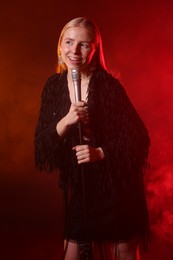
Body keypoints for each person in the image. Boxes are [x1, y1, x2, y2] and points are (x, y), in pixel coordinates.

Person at [34, 17, 151, 260]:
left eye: (84, 45)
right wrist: (66, 120)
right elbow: (42, 148)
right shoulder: (53, 86)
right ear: (60, 46)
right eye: (69, 42)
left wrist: (100, 152)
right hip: (84, 187)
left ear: (94, 51)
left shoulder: (108, 86)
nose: (74, 51)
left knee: (124, 254)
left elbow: (139, 139)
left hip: (117, 187)